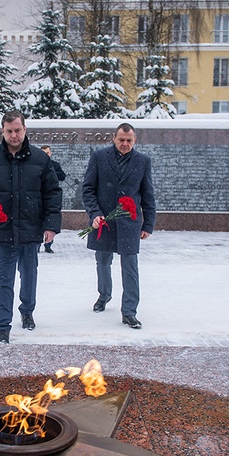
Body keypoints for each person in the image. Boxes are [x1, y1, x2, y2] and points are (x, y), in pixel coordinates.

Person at [0, 110, 62, 344]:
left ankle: (27, 310)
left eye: (17, 130)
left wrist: (51, 225)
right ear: (2, 131)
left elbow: (52, 193)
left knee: (29, 275)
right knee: (3, 278)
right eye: (9, 131)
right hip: (2, 230)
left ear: (25, 130)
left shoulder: (41, 159)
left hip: (31, 229)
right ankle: (2, 327)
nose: (14, 135)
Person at [81, 123, 156, 329]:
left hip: (129, 224)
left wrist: (148, 224)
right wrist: (95, 214)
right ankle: (104, 295)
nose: (125, 144)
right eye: (121, 139)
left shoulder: (143, 161)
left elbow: (148, 195)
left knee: (130, 267)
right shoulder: (99, 157)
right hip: (104, 222)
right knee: (103, 262)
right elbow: (88, 189)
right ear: (114, 138)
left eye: (129, 140)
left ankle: (129, 312)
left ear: (134, 140)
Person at [39, 145, 66, 254]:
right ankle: (36, 244)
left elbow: (62, 176)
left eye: (48, 152)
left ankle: (48, 244)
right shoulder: (35, 164)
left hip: (50, 196)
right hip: (38, 196)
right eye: (44, 152)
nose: (46, 154)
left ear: (51, 153)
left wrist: (52, 173)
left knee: (50, 222)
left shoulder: (55, 165)